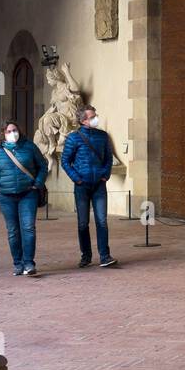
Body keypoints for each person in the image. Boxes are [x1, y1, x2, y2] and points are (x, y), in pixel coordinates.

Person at [0, 121, 48, 277]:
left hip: (28, 193)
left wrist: (38, 183)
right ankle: (18, 264)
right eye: (9, 131)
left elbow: (42, 166)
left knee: (28, 228)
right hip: (6, 197)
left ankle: (29, 263)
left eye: (15, 130)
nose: (13, 133)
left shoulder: (29, 147)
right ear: (3, 133)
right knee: (13, 231)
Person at [62, 105, 117, 268]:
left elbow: (108, 158)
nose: (96, 118)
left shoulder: (103, 136)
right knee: (83, 222)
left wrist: (105, 175)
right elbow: (65, 161)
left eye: (95, 115)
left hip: (99, 184)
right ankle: (86, 255)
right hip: (82, 185)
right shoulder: (73, 138)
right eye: (92, 116)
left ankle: (105, 256)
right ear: (83, 120)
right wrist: (76, 179)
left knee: (102, 221)